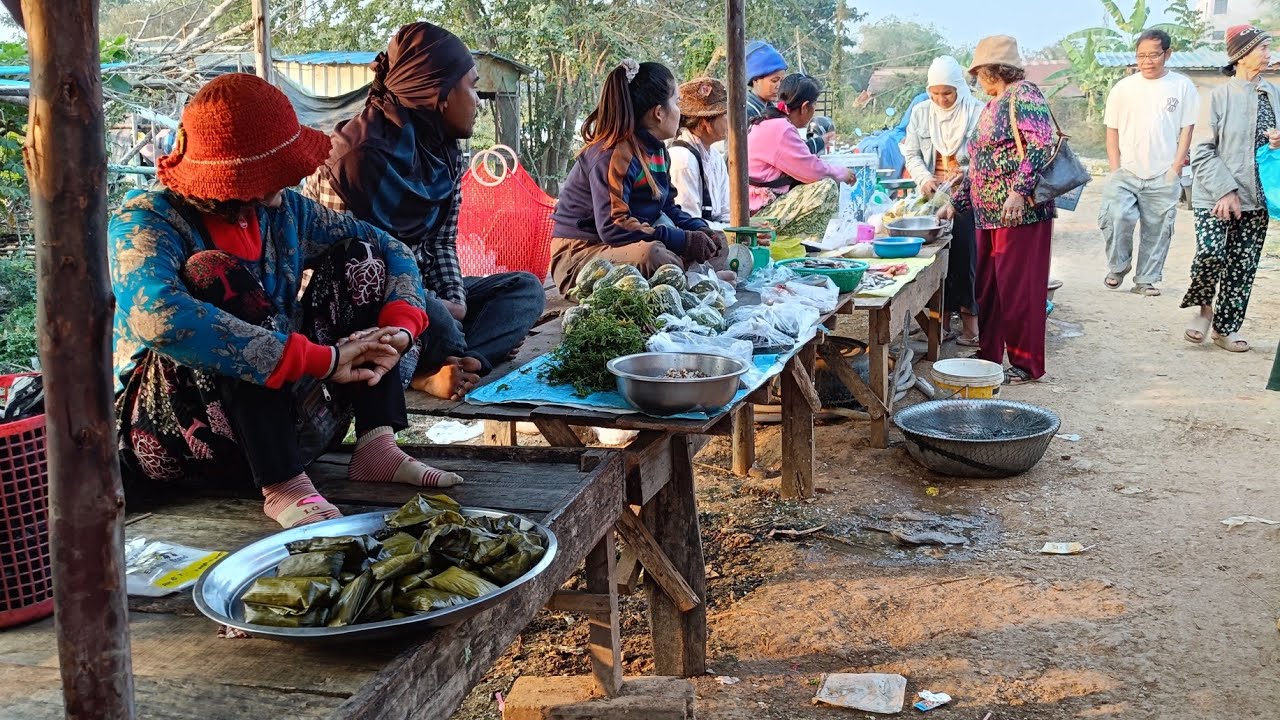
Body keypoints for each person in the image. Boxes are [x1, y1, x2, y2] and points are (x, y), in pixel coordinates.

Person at [110, 74, 459, 530]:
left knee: (361, 255)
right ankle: (283, 484)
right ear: (236, 177)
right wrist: (320, 359)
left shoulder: (285, 211)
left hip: (296, 419)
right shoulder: (146, 222)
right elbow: (158, 318)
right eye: (277, 170)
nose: (296, 177)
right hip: (183, 438)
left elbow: (391, 248)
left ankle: (377, 443)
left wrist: (402, 324)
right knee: (212, 271)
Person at [306, 22, 545, 401]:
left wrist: (459, 303)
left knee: (524, 290)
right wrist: (430, 305)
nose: (479, 101)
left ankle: (463, 363)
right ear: (441, 94)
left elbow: (441, 244)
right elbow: (348, 276)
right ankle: (439, 366)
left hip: (426, 297)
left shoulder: (444, 152)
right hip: (366, 309)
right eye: (472, 85)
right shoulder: (355, 160)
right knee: (440, 322)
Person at [548, 60, 729, 296]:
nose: (680, 110)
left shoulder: (658, 151)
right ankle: (694, 280)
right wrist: (683, 240)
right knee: (652, 255)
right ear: (658, 113)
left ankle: (694, 278)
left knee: (719, 242)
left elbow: (667, 208)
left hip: (620, 246)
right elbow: (614, 227)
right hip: (581, 257)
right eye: (677, 102)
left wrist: (698, 229)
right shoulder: (612, 154)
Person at [940, 36, 1055, 386]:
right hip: (987, 214)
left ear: (992, 70)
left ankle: (1025, 363)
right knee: (988, 287)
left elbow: (1042, 141)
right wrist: (956, 204)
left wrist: (1018, 192)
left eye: (978, 72)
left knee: (1018, 290)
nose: (976, 79)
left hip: (1019, 213)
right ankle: (989, 353)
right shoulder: (993, 104)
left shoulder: (1025, 94)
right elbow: (979, 164)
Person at [1183, 25, 1279, 353]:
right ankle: (1204, 310)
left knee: (1243, 263)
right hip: (1216, 194)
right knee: (1210, 254)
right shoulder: (1217, 97)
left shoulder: (1274, 93)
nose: (1268, 54)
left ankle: (1226, 328)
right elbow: (1202, 149)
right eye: (1262, 48)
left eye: (1268, 48)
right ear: (1241, 54)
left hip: (1258, 196)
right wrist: (1225, 190)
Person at [1100, 29, 1200, 297]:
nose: (1147, 61)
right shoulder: (1123, 88)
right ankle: (1118, 266)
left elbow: (1187, 129)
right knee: (1116, 216)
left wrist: (1176, 168)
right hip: (1126, 170)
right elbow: (1112, 130)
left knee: (1158, 227)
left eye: (1154, 55)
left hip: (1163, 171)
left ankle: (1145, 279)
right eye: (1141, 55)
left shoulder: (1182, 86)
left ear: (1167, 54)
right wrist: (1114, 168)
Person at [903, 55, 985, 346]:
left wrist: (962, 174)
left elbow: (983, 159)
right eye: (935, 93)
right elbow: (911, 153)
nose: (941, 99)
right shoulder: (921, 112)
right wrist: (925, 179)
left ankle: (970, 327)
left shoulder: (976, 112)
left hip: (968, 196)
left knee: (965, 258)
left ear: (959, 89)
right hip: (933, 195)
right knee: (933, 260)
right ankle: (938, 323)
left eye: (947, 93)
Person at [747, 73, 856, 213]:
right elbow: (811, 170)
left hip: (753, 198)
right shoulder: (781, 129)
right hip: (759, 206)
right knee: (826, 187)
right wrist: (842, 173)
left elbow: (802, 155)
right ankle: (799, 235)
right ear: (805, 107)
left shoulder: (772, 122)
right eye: (814, 105)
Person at [744, 41, 828, 155]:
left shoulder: (770, 109)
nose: (779, 85)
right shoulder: (746, 114)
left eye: (782, 80)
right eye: (774, 80)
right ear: (755, 80)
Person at [668, 77, 731, 224]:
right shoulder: (682, 159)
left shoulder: (714, 157)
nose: (731, 121)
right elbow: (689, 222)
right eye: (725, 115)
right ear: (706, 122)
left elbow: (727, 213)